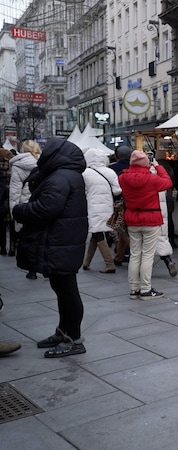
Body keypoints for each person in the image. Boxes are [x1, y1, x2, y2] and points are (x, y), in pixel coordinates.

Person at [12, 138, 89, 358]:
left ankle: (73, 340)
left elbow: (46, 209)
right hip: (63, 240)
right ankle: (63, 332)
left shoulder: (61, 177)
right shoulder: (66, 175)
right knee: (63, 290)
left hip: (60, 241)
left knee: (67, 292)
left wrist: (20, 210)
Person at [119, 150, 173, 299]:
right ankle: (146, 289)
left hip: (132, 218)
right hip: (151, 218)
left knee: (135, 254)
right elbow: (168, 182)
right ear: (146, 163)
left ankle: (134, 289)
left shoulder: (122, 178)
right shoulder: (152, 179)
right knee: (148, 255)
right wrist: (157, 166)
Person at [81, 147, 122, 273]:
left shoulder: (84, 173)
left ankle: (109, 263)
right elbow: (117, 190)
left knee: (98, 233)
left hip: (93, 207)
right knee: (96, 232)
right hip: (107, 206)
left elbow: (82, 192)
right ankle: (86, 263)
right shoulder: (109, 172)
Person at [9, 140, 41, 279]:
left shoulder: (18, 165)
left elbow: (15, 191)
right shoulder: (45, 163)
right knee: (42, 234)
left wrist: (14, 212)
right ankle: (44, 266)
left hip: (26, 205)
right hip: (42, 203)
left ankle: (32, 270)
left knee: (28, 237)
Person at [109, 146, 132, 266]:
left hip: (118, 203)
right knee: (124, 229)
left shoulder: (111, 169)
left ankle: (129, 253)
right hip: (132, 202)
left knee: (121, 229)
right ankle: (119, 255)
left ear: (117, 155)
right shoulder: (134, 167)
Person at [155, 150, 178, 248]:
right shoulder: (170, 167)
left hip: (156, 197)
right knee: (169, 219)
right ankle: (171, 240)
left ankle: (159, 242)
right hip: (168, 196)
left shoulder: (153, 167)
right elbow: (172, 182)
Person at [0, 146, 12, 256]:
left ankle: (2, 247)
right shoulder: (10, 166)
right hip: (9, 197)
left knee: (2, 227)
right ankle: (11, 247)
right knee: (10, 224)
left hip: (2, 197)